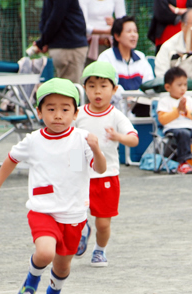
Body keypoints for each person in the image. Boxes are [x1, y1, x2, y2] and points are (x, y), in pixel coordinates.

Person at [0, 78, 107, 294]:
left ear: (76, 112)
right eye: (50, 109)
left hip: (73, 215)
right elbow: (10, 159)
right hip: (43, 210)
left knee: (62, 267)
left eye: (65, 109)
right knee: (45, 252)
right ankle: (31, 281)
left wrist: (96, 150)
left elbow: (99, 169)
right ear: (39, 112)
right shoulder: (33, 141)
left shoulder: (81, 139)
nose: (58, 115)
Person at [73, 61, 139, 265]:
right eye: (91, 86)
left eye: (103, 86)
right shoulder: (77, 113)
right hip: (79, 174)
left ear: (114, 89)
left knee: (103, 223)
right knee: (73, 215)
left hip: (106, 176)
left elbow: (134, 139)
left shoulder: (116, 115)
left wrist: (118, 136)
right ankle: (82, 228)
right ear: (85, 89)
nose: (97, 91)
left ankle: (100, 250)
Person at [157, 66, 192, 174]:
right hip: (173, 129)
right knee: (183, 133)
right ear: (168, 87)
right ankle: (183, 163)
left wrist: (187, 112)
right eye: (179, 85)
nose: (183, 88)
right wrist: (178, 110)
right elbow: (163, 120)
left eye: (185, 85)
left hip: (190, 128)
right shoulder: (164, 101)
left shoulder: (190, 100)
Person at [32, 0, 89, 84]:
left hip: (64, 47)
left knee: (65, 87)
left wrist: (43, 42)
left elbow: (50, 17)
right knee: (70, 89)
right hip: (68, 48)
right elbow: (55, 18)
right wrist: (43, 42)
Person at [98, 16, 154, 91]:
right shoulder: (106, 57)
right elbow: (104, 87)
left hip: (140, 101)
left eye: (135, 31)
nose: (133, 35)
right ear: (117, 36)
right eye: (129, 31)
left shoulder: (141, 57)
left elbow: (149, 84)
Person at [78, 0, 126, 64]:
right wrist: (105, 31)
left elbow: (123, 22)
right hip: (88, 46)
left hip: (109, 45)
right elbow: (82, 24)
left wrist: (115, 24)